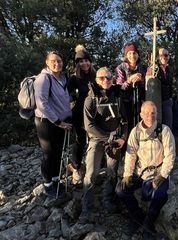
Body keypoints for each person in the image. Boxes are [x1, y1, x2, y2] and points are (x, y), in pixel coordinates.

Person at [116, 101, 175, 240]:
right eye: (147, 113)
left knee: (160, 195)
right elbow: (130, 154)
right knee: (121, 190)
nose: (150, 116)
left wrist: (163, 174)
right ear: (141, 114)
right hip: (140, 172)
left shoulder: (164, 130)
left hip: (158, 171)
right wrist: (127, 175)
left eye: (153, 112)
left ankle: (149, 223)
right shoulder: (135, 131)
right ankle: (137, 215)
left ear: (157, 113)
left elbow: (170, 155)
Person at [79, 67, 128, 223]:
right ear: (96, 80)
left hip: (115, 140)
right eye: (102, 78)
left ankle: (108, 201)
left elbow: (125, 121)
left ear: (113, 79)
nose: (105, 80)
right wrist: (109, 138)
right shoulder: (90, 99)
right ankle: (87, 209)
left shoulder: (117, 97)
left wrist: (123, 138)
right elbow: (89, 126)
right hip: (97, 140)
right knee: (90, 175)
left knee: (112, 172)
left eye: (108, 77)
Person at [34, 51, 73, 198]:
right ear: (47, 62)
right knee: (48, 154)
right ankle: (47, 184)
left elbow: (64, 97)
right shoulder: (43, 78)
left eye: (59, 61)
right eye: (53, 61)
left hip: (61, 122)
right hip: (47, 122)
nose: (57, 63)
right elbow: (41, 103)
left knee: (58, 152)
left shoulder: (62, 77)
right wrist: (58, 122)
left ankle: (56, 180)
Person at [68, 45, 96, 184]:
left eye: (86, 60)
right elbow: (64, 94)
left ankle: (93, 165)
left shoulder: (95, 75)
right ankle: (76, 167)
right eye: (81, 61)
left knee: (94, 140)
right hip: (79, 113)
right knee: (80, 141)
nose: (84, 63)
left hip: (94, 113)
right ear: (77, 63)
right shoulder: (74, 78)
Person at [115, 42, 146, 133]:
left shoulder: (143, 68)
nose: (132, 55)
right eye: (129, 53)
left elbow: (146, 85)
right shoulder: (120, 68)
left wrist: (141, 80)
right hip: (125, 102)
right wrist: (129, 80)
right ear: (126, 55)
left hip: (139, 102)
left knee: (140, 126)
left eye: (134, 53)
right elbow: (119, 87)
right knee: (127, 127)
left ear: (138, 54)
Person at [146, 47, 174, 129]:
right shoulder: (152, 69)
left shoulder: (170, 69)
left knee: (168, 127)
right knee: (156, 127)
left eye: (166, 55)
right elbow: (148, 87)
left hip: (167, 101)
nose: (164, 57)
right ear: (157, 56)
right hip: (156, 102)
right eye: (161, 55)